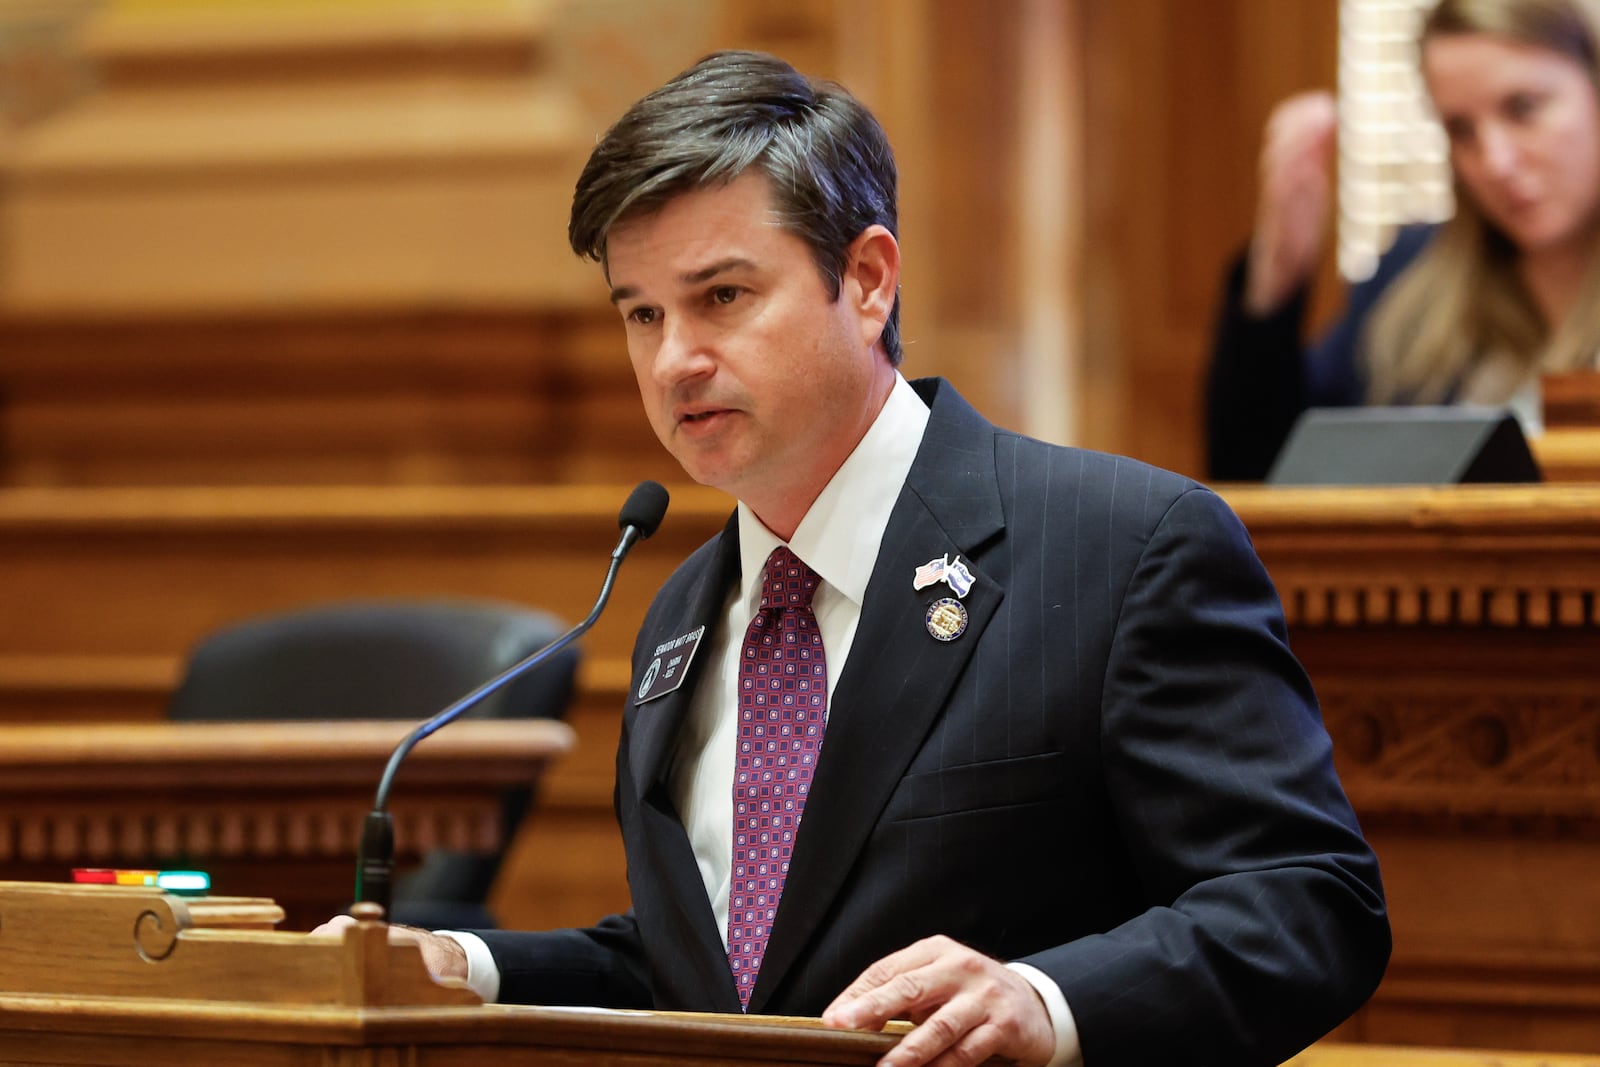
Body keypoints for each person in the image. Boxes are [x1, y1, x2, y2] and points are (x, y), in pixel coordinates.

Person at [315, 49, 1389, 1067]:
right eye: (640, 313)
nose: (674, 358)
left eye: (721, 297)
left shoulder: (1119, 547)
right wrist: (469, 961)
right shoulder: (682, 611)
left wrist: (1045, 1000)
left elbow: (1310, 899)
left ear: (868, 279)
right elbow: (724, 976)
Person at [1207, 0, 1600, 481]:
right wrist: (1277, 281)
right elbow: (1260, 472)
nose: (1495, 162)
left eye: (1523, 109)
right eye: (1461, 130)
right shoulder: (1408, 279)